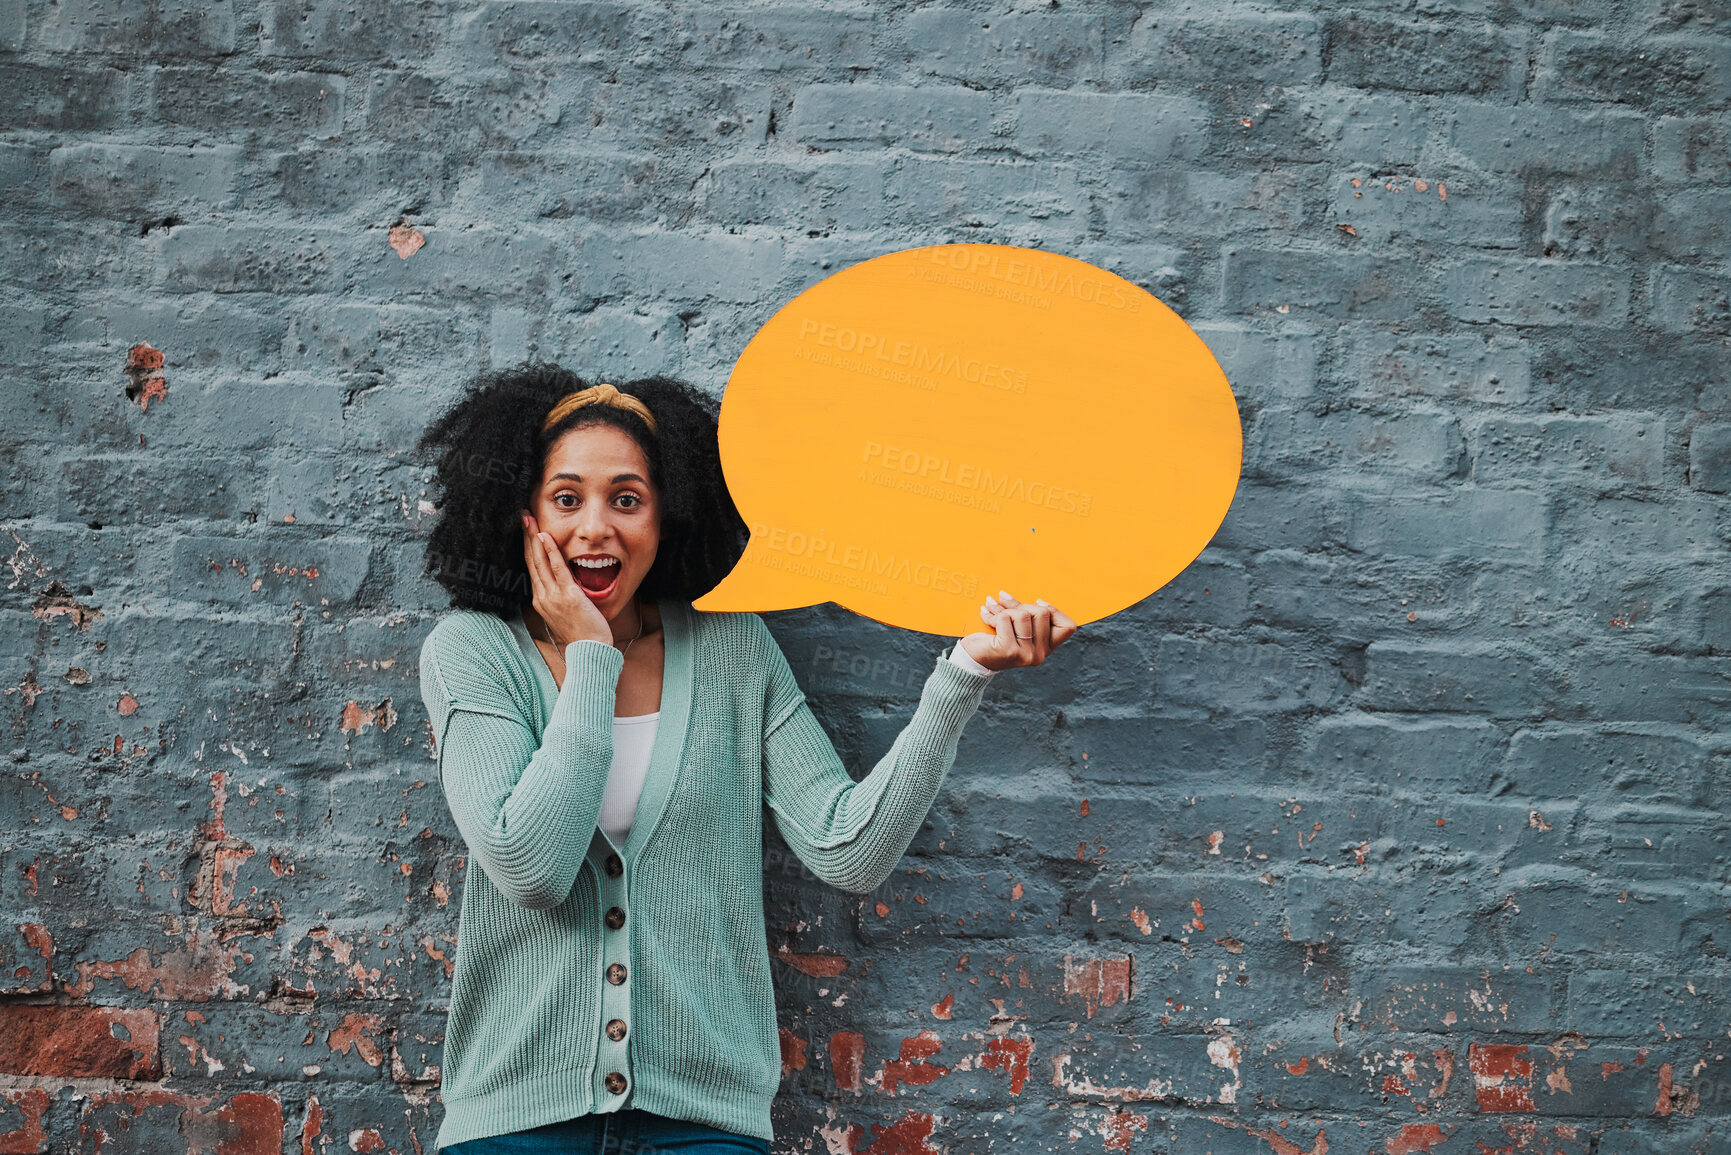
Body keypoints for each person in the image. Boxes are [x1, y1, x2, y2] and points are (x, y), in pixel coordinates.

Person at [414, 366, 1078, 1153]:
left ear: (667, 518)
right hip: (516, 1120)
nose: (595, 527)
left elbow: (847, 847)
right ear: (522, 517)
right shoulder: (471, 652)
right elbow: (530, 867)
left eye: (627, 499)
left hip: (704, 1123)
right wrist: (592, 658)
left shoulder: (729, 649)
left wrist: (962, 672)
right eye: (567, 499)